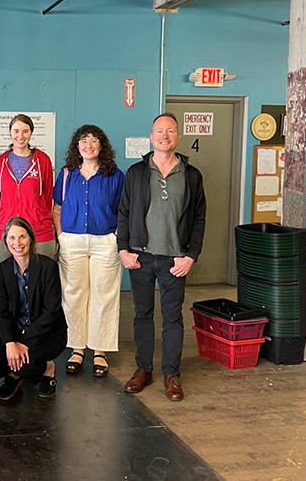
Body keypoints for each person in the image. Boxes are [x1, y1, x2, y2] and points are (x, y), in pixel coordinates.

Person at [118, 112, 206, 402]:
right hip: (141, 257)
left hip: (175, 260)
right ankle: (144, 369)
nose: (164, 136)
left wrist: (190, 256)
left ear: (178, 137)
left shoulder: (191, 175)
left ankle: (172, 374)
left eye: (170, 131)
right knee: (142, 315)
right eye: (159, 131)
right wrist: (123, 249)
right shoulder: (136, 173)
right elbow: (125, 213)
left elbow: (199, 219)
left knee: (172, 318)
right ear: (151, 137)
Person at [52, 125, 125, 377]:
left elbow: (123, 210)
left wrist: (115, 237)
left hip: (105, 240)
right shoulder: (66, 174)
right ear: (77, 147)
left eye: (94, 141)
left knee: (103, 294)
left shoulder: (115, 175)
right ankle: (77, 347)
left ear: (102, 145)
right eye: (83, 141)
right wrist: (61, 235)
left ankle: (100, 350)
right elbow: (57, 209)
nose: (89, 145)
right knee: (73, 294)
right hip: (71, 240)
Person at [0, 217, 67, 401]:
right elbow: (1, 311)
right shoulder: (3, 270)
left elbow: (52, 312)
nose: (17, 243)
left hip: (47, 333)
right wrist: (10, 343)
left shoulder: (48, 266)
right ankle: (14, 374)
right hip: (17, 328)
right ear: (5, 241)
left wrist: (23, 342)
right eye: (12, 238)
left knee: (26, 360)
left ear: (30, 238)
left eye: (22, 237)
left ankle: (48, 369)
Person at [0, 114, 56, 262]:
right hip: (7, 232)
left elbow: (48, 196)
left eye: (25, 131)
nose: (20, 136)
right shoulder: (0, 162)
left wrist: (39, 218)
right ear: (10, 133)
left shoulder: (42, 160)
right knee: (9, 281)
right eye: (16, 131)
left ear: (31, 133)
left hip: (39, 231)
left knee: (40, 280)